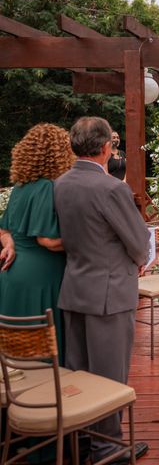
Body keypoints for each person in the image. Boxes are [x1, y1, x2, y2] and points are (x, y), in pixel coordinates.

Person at [54, 117, 150, 464]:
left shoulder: (61, 184)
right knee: (109, 376)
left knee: (79, 372)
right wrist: (139, 260)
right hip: (109, 293)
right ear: (107, 148)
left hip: (75, 288)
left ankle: (81, 443)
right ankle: (108, 448)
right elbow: (138, 241)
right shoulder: (112, 189)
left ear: (72, 146)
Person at [0, 124, 75, 363]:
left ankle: (16, 394)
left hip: (15, 274)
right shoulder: (46, 187)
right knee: (42, 349)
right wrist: (90, 240)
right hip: (41, 278)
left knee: (19, 345)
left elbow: (3, 229)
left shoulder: (20, 187)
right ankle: (45, 393)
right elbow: (49, 240)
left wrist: (9, 243)